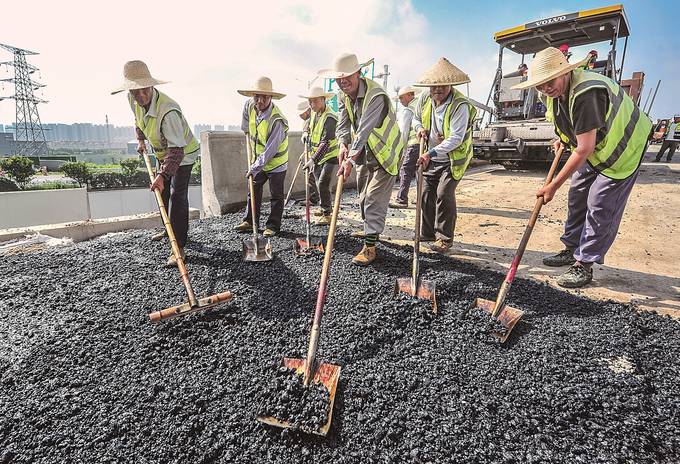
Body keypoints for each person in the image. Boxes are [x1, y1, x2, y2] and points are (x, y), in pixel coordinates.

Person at [513, 47, 652, 288]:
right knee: (577, 194)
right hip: (598, 145)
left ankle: (584, 264)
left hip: (624, 146)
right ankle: (570, 248)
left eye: (549, 81)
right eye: (539, 84)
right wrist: (562, 138)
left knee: (600, 203)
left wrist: (553, 185)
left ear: (564, 72)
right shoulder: (552, 93)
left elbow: (584, 149)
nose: (545, 88)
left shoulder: (587, 92)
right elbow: (566, 122)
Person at [112, 60, 200, 267]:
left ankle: (179, 246)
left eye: (145, 90)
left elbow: (177, 151)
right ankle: (168, 227)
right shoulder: (132, 99)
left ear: (152, 86)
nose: (141, 96)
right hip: (164, 152)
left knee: (178, 196)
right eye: (136, 92)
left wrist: (162, 175)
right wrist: (141, 139)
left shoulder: (168, 111)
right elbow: (138, 119)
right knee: (163, 192)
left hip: (183, 154)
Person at [318, 53, 403, 266]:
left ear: (359, 73)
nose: (343, 81)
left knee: (374, 198)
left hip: (386, 154)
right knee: (363, 197)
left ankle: (370, 247)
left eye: (347, 76)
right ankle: (369, 230)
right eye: (339, 77)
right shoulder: (344, 96)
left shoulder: (376, 96)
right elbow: (342, 125)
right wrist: (343, 144)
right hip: (367, 154)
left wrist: (350, 160)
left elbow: (364, 130)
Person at [411, 57, 477, 253]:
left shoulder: (460, 106)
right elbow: (415, 118)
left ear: (450, 84)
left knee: (444, 194)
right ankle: (428, 232)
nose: (437, 90)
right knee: (425, 193)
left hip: (452, 158)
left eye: (442, 85)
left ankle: (444, 238)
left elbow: (456, 138)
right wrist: (419, 128)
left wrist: (431, 152)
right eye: (434, 86)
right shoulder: (425, 99)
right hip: (430, 155)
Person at [234, 76, 289, 237]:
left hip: (276, 163)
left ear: (271, 98)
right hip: (258, 160)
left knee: (276, 195)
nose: (260, 100)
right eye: (257, 96)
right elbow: (246, 126)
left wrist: (255, 166)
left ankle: (273, 225)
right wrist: (246, 130)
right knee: (253, 189)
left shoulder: (276, 120)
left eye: (264, 96)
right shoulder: (249, 106)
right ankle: (250, 221)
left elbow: (271, 150)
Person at [300, 86, 339, 225]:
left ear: (323, 100)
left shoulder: (330, 117)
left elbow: (326, 141)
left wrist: (312, 159)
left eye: (315, 101)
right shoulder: (313, 113)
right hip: (316, 156)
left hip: (330, 155)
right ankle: (324, 208)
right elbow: (307, 125)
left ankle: (327, 214)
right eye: (310, 101)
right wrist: (305, 133)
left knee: (323, 182)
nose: (312, 104)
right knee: (318, 183)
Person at [389, 85, 420, 209]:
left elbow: (405, 131)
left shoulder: (409, 110)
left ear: (410, 95)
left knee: (405, 171)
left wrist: (402, 149)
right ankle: (421, 199)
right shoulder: (421, 106)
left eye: (402, 98)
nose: (401, 101)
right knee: (420, 172)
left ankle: (401, 199)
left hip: (413, 144)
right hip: (423, 144)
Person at [298, 100, 320, 206]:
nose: (300, 116)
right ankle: (314, 198)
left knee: (316, 176)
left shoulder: (315, 118)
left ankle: (316, 200)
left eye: (301, 114)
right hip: (311, 152)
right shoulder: (306, 121)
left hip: (320, 153)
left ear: (307, 111)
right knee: (310, 175)